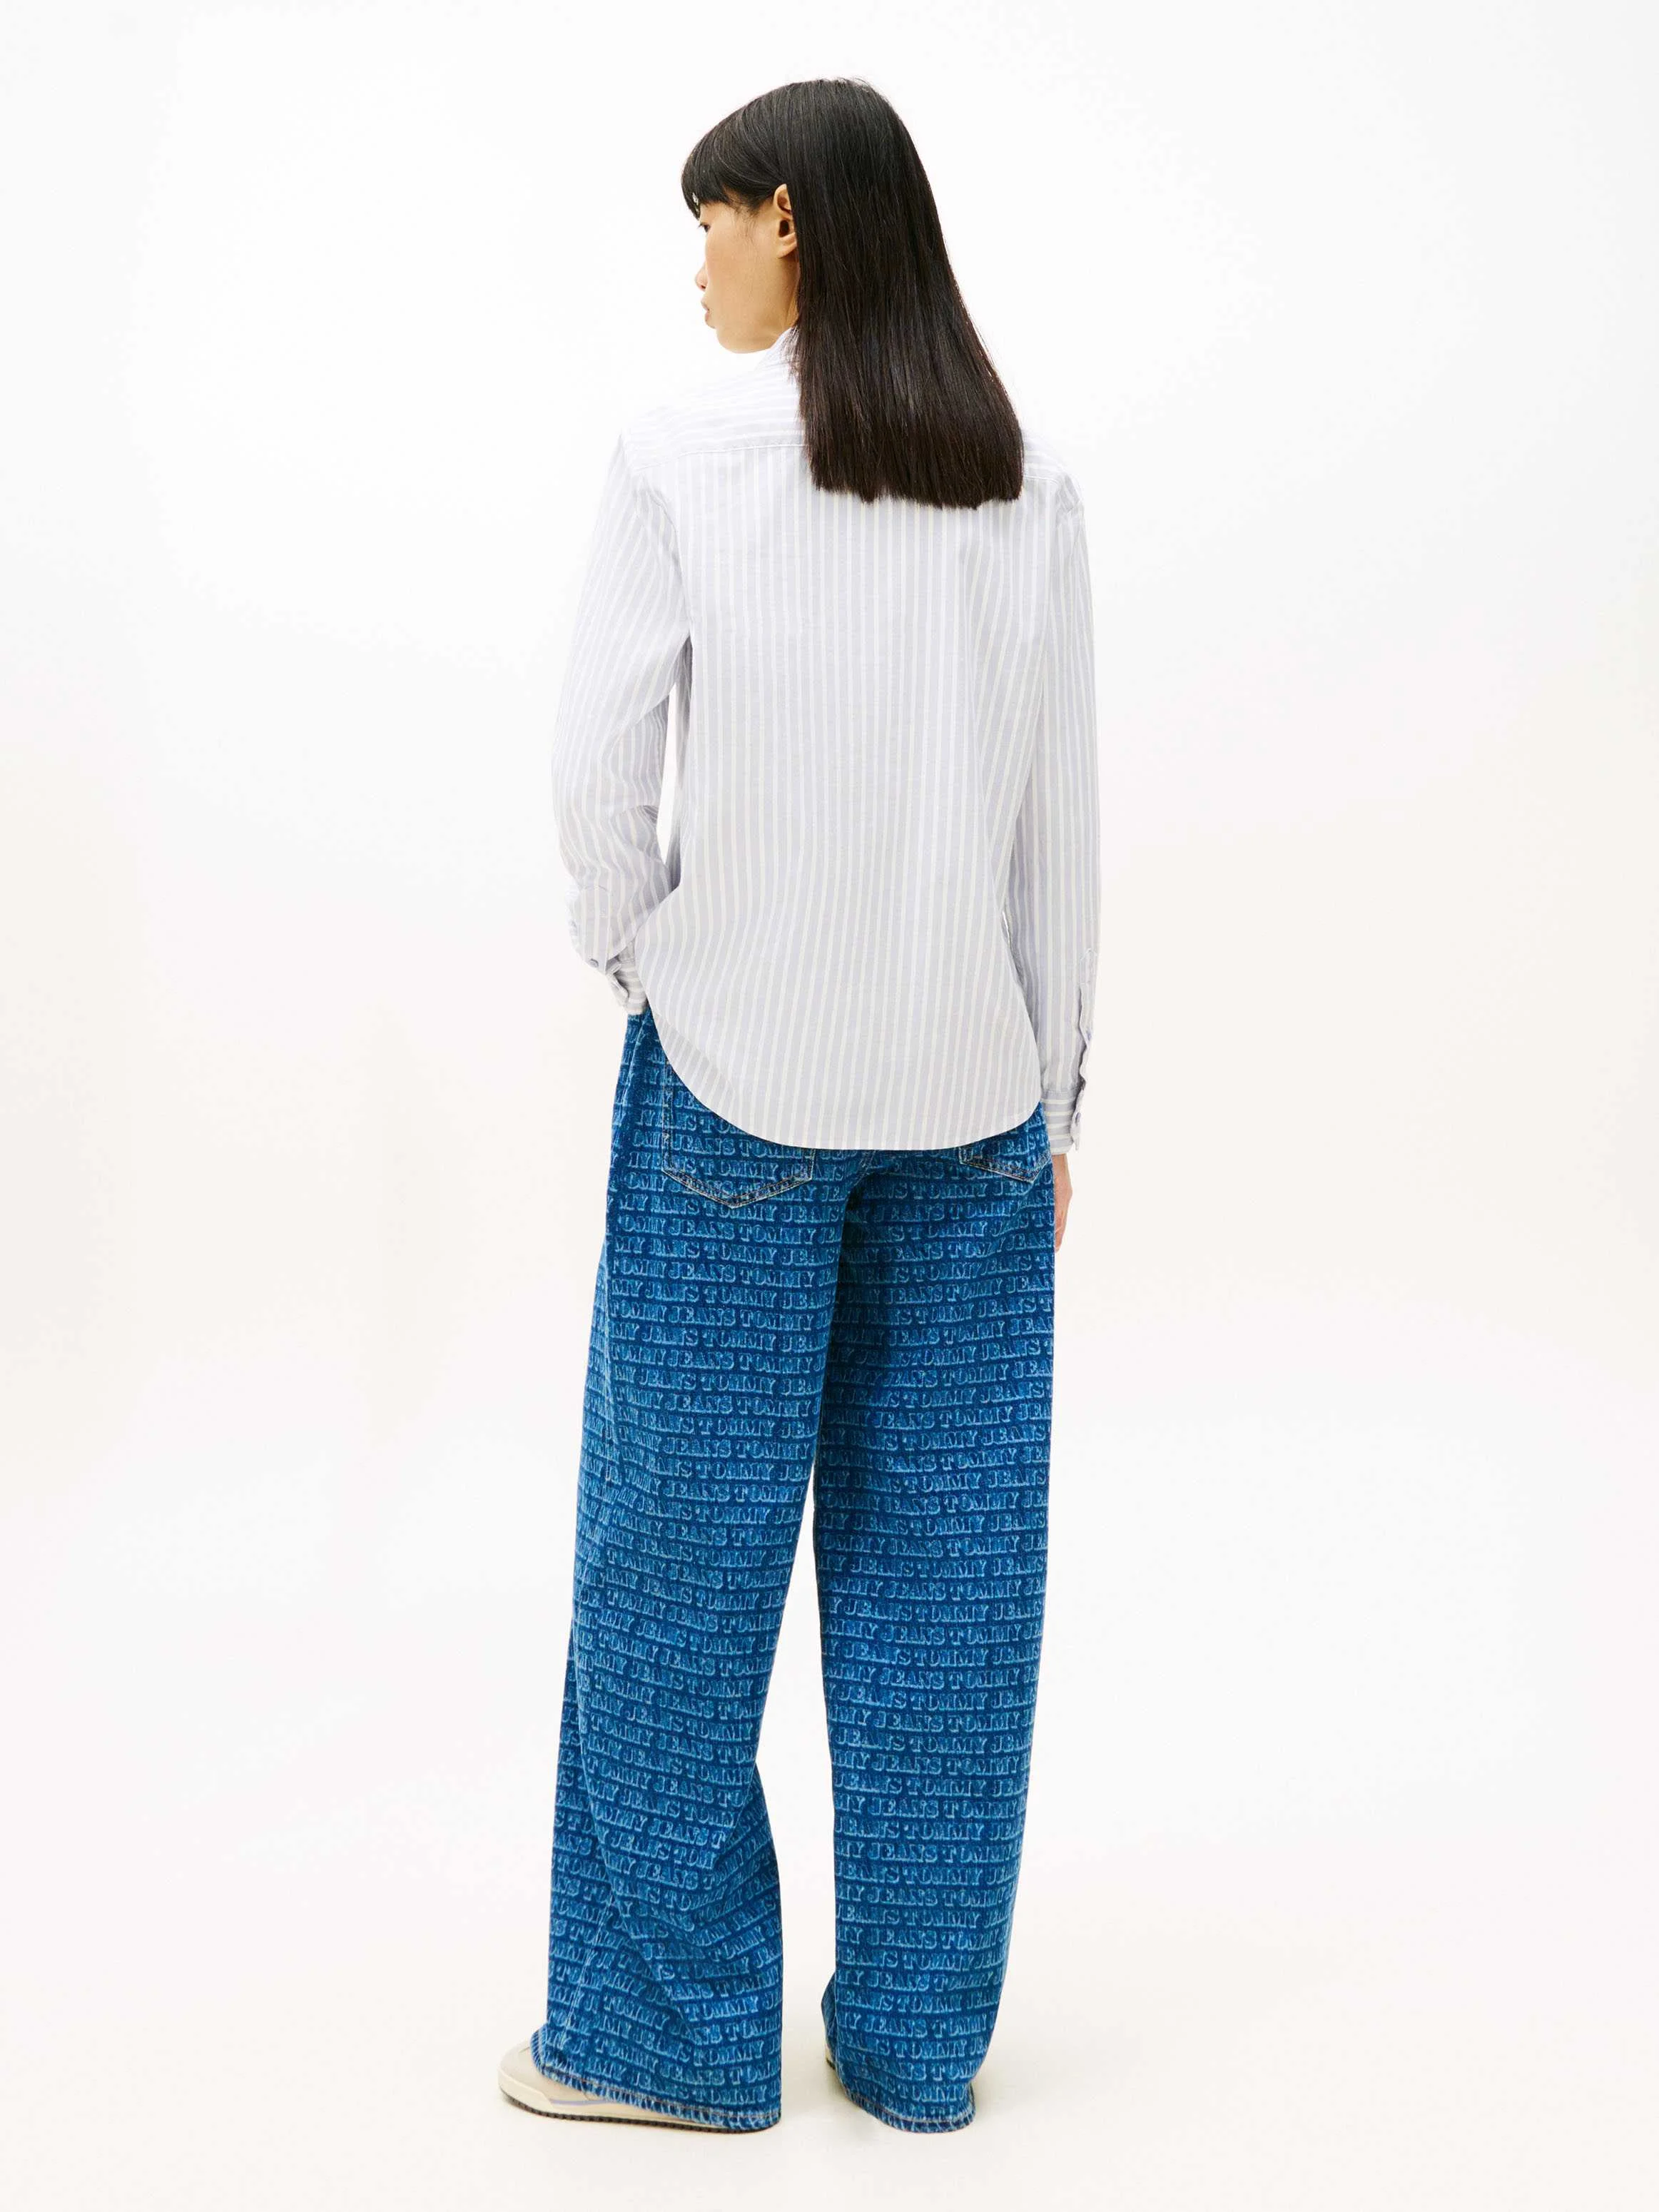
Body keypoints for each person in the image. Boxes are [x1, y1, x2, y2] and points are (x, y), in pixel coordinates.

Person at [497, 75, 1098, 2137]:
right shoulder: (1021, 480)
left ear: (792, 223)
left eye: (713, 223)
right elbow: (1060, 824)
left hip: (733, 1087)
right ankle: (920, 2046)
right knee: (951, 1579)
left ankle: (662, 2039)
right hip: (971, 1099)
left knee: (677, 1565)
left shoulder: (683, 454)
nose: (698, 268)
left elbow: (597, 765)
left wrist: (640, 957)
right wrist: (1058, 1094)